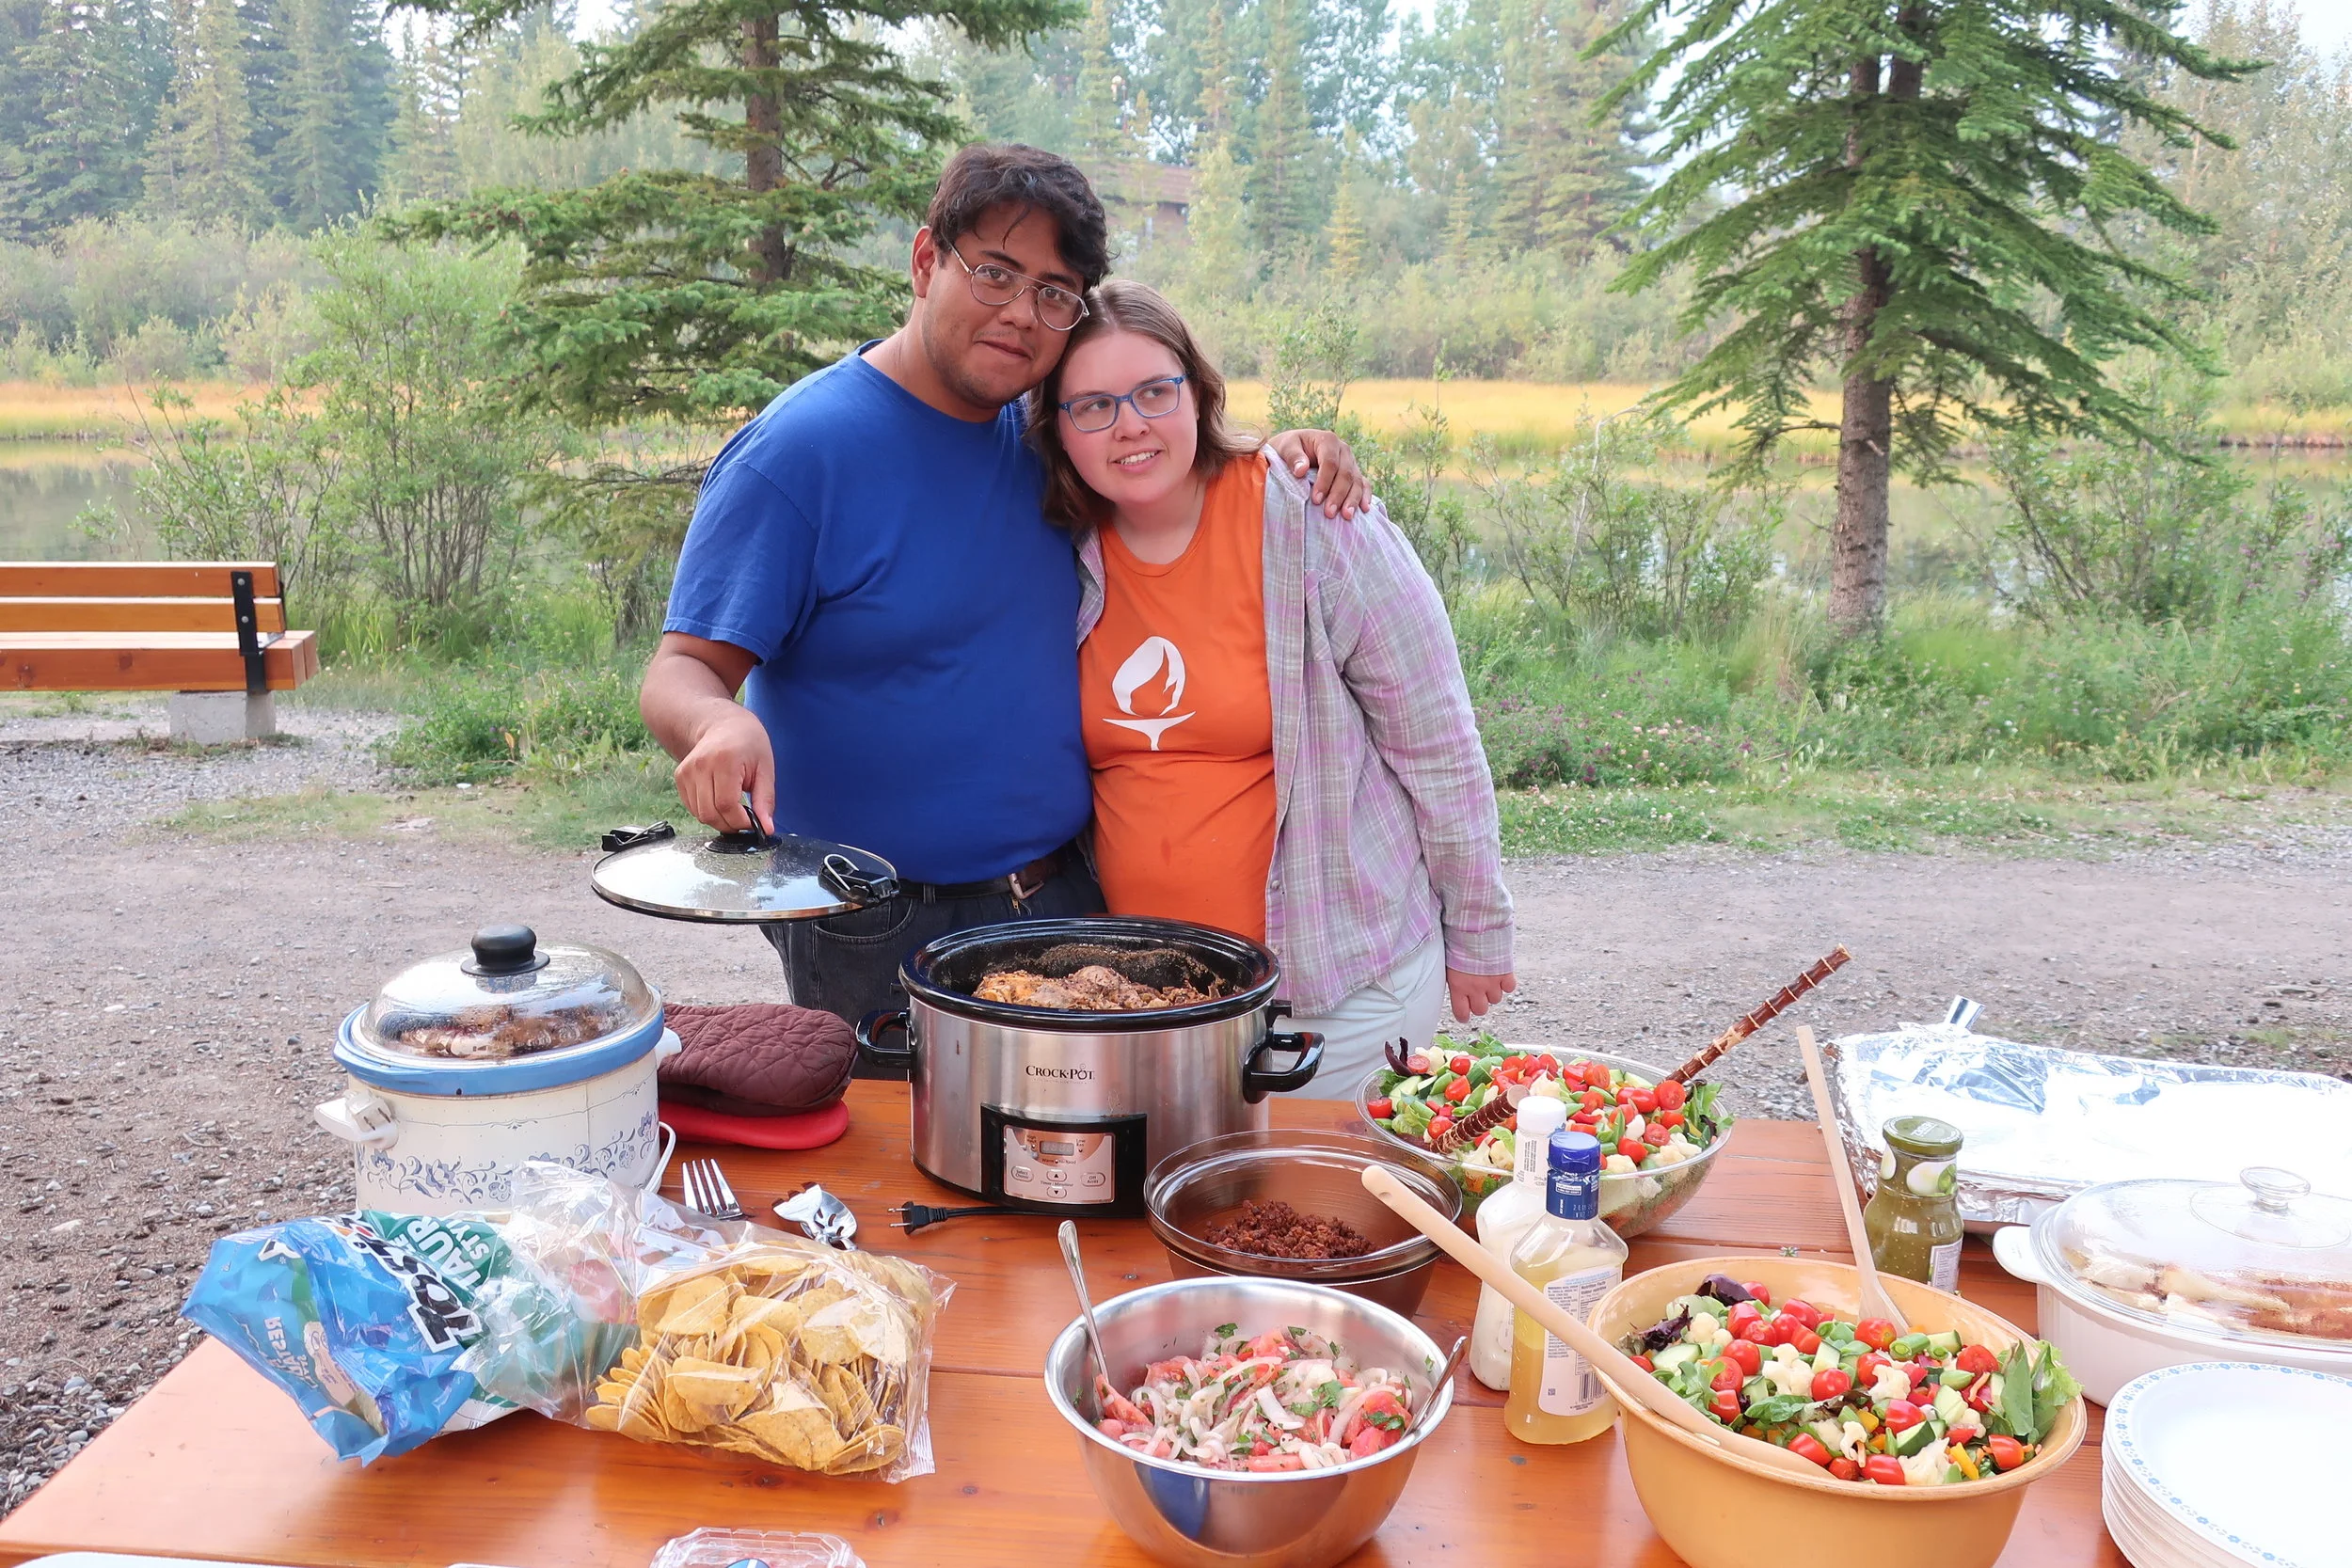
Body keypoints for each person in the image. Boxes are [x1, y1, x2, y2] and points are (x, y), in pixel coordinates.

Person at [641, 144, 1367, 1043]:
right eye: (994, 273)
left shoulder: (1048, 439)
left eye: (1053, 293)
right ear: (923, 261)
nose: (1021, 314)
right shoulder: (801, 454)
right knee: (903, 1169)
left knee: (1088, 1163)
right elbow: (679, 669)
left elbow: (1169, 452)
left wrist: (1288, 453)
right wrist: (720, 724)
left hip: (1070, 899)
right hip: (882, 923)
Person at [1028, 279, 1516, 1093]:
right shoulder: (1062, 552)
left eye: (1154, 391)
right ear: (1059, 429)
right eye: (1094, 406)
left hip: (1334, 992)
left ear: (1198, 392)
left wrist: (1480, 933)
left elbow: (1435, 737)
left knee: (1320, 1216)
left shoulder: (1309, 515)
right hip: (1153, 995)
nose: (1130, 425)